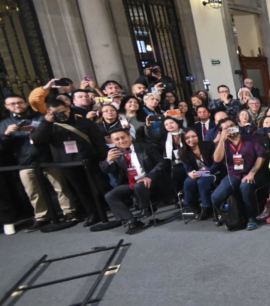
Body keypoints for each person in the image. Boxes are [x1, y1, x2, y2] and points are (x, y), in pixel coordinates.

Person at [31, 98, 110, 227]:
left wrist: (102, 157)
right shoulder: (49, 125)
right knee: (80, 189)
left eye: (63, 111)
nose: (61, 114)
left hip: (90, 160)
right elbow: (38, 139)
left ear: (68, 108)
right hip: (67, 163)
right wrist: (46, 123)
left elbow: (98, 140)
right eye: (56, 112)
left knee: (102, 185)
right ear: (49, 112)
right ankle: (93, 213)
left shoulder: (83, 121)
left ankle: (111, 208)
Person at [2, 94, 76, 227]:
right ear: (6, 107)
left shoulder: (41, 117)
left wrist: (39, 130)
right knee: (32, 191)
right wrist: (7, 134)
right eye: (12, 104)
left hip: (48, 158)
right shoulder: (5, 124)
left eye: (20, 102)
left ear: (26, 103)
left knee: (60, 186)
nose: (17, 106)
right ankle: (42, 216)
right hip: (25, 162)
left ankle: (69, 211)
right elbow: (3, 146)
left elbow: (55, 134)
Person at [100, 128, 164, 234]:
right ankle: (131, 220)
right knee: (110, 195)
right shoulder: (114, 153)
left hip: (151, 180)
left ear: (130, 137)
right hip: (130, 183)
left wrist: (150, 176)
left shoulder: (145, 147)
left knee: (138, 186)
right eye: (117, 139)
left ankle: (145, 208)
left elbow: (161, 162)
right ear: (113, 142)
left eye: (123, 137)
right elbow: (106, 170)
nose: (121, 141)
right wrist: (108, 161)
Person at [211, 118, 267, 231]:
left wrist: (252, 173)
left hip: (253, 173)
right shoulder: (223, 143)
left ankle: (252, 218)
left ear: (237, 125)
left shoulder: (251, 139)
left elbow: (261, 156)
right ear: (221, 131)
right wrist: (221, 140)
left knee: (245, 186)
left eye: (232, 125)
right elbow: (217, 159)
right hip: (234, 174)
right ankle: (225, 214)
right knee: (216, 197)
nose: (230, 128)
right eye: (226, 128)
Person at [179, 128, 217, 220]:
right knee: (189, 181)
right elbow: (188, 169)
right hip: (198, 174)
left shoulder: (209, 145)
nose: (191, 140)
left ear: (198, 136)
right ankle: (194, 206)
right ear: (183, 140)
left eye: (193, 136)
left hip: (213, 172)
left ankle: (207, 207)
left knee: (201, 181)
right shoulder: (182, 151)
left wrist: (208, 172)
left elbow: (217, 163)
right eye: (187, 138)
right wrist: (190, 173)